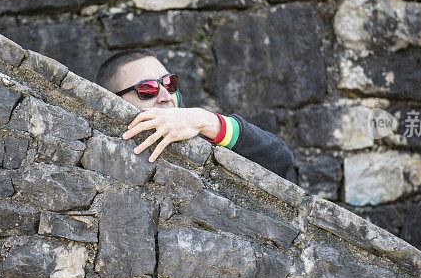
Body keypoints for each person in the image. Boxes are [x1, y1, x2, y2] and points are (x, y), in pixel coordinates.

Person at [95, 49, 294, 180]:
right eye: (147, 89)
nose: (166, 96)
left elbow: (280, 161)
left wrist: (204, 120)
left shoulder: (200, 128)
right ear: (114, 101)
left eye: (168, 83)